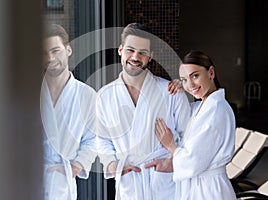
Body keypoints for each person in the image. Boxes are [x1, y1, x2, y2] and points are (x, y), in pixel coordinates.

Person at [96, 22, 191, 200]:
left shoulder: (170, 92)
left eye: (142, 52)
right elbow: (102, 138)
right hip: (129, 182)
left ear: (150, 57)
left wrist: (171, 162)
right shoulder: (105, 96)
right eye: (130, 50)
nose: (135, 57)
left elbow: (190, 136)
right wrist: (111, 165)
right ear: (120, 50)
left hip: (165, 181)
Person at [155, 50, 236, 200]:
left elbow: (192, 161)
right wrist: (181, 88)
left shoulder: (216, 111)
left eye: (195, 76)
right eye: (184, 79)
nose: (190, 84)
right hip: (201, 186)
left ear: (211, 73)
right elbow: (187, 114)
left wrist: (170, 145)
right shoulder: (202, 107)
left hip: (209, 190)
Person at [40, 24, 97, 200]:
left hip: (63, 183)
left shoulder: (87, 95)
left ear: (68, 50)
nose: (50, 58)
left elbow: (94, 138)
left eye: (55, 50)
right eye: (44, 53)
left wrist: (76, 166)